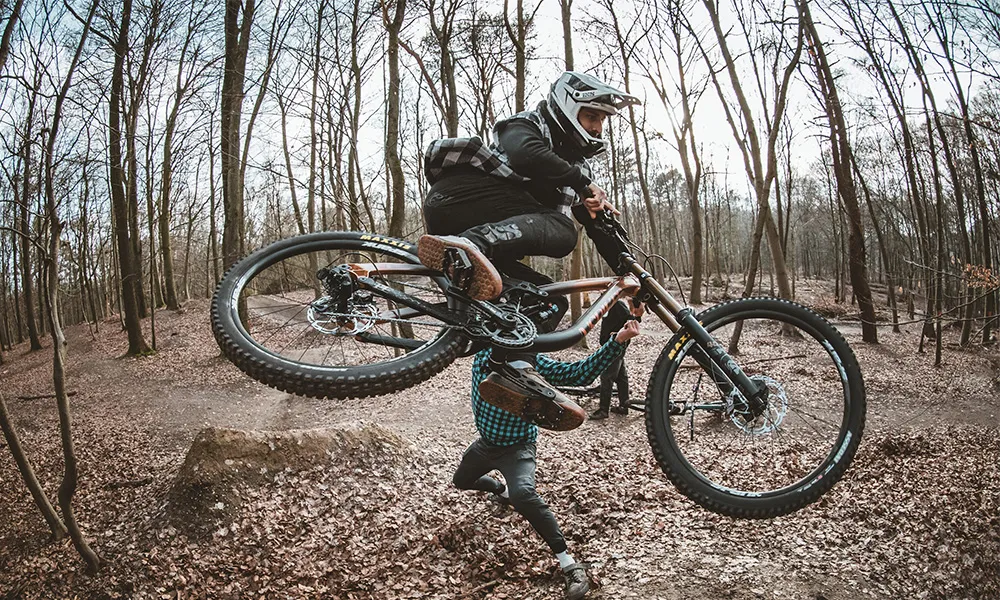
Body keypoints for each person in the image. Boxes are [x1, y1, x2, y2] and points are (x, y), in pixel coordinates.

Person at [418, 71, 641, 431]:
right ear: (568, 108)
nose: (598, 127)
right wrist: (584, 183)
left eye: (602, 120)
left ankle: (511, 367)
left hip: (491, 238)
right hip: (459, 200)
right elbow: (525, 154)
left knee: (548, 300)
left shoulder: (573, 170)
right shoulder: (527, 125)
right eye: (591, 116)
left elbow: (598, 229)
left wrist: (634, 274)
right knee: (562, 231)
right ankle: (470, 246)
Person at [453, 318, 642, 600]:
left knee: (524, 494)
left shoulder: (536, 367)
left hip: (518, 449)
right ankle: (502, 491)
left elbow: (579, 374)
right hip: (485, 445)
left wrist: (617, 342)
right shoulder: (484, 357)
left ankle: (569, 565)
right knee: (461, 480)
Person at [589, 299, 643, 420]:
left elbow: (631, 319)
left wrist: (619, 333)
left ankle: (603, 410)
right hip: (613, 345)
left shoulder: (617, 304)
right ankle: (624, 406)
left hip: (616, 345)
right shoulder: (608, 304)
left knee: (607, 376)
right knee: (621, 377)